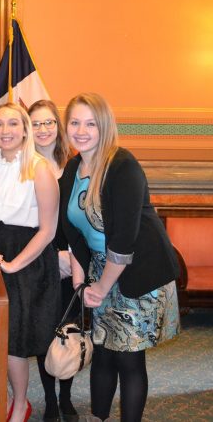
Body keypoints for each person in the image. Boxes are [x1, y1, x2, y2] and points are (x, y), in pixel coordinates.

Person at [60, 93, 180, 422]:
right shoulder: (73, 167)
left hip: (136, 273)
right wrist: (81, 281)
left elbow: (124, 242)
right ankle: (98, 418)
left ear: (105, 127)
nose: (81, 130)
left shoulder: (122, 165)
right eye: (74, 122)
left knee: (128, 359)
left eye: (90, 123)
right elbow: (72, 233)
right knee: (103, 355)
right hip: (100, 269)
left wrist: (99, 288)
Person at [0, 102, 60, 422]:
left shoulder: (39, 168)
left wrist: (14, 264)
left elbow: (48, 230)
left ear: (25, 129)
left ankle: (20, 403)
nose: (5, 131)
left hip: (27, 258)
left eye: (13, 124)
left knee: (14, 338)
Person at [28, 99, 78, 422]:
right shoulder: (23, 168)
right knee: (45, 332)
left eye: (49, 123)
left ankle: (67, 397)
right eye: (36, 124)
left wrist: (72, 257)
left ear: (57, 127)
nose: (43, 130)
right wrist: (50, 257)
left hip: (73, 260)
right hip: (39, 260)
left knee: (69, 331)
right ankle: (49, 398)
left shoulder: (74, 165)